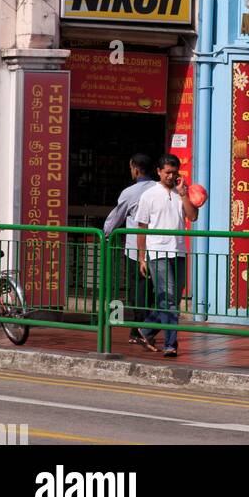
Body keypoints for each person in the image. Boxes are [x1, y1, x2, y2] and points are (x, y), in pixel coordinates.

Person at [136, 154, 198, 358]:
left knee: (173, 300)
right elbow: (142, 228)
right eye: (167, 172)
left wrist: (183, 195)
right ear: (159, 172)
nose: (171, 176)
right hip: (157, 252)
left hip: (178, 251)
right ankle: (171, 344)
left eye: (174, 172)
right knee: (168, 300)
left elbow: (193, 216)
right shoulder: (149, 195)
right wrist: (142, 257)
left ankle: (145, 329)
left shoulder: (182, 192)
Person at [103, 153, 154, 345]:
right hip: (158, 250)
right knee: (152, 292)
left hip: (135, 250)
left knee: (137, 292)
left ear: (135, 168)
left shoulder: (130, 192)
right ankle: (142, 329)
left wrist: (105, 234)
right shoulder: (160, 189)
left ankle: (140, 330)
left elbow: (115, 218)